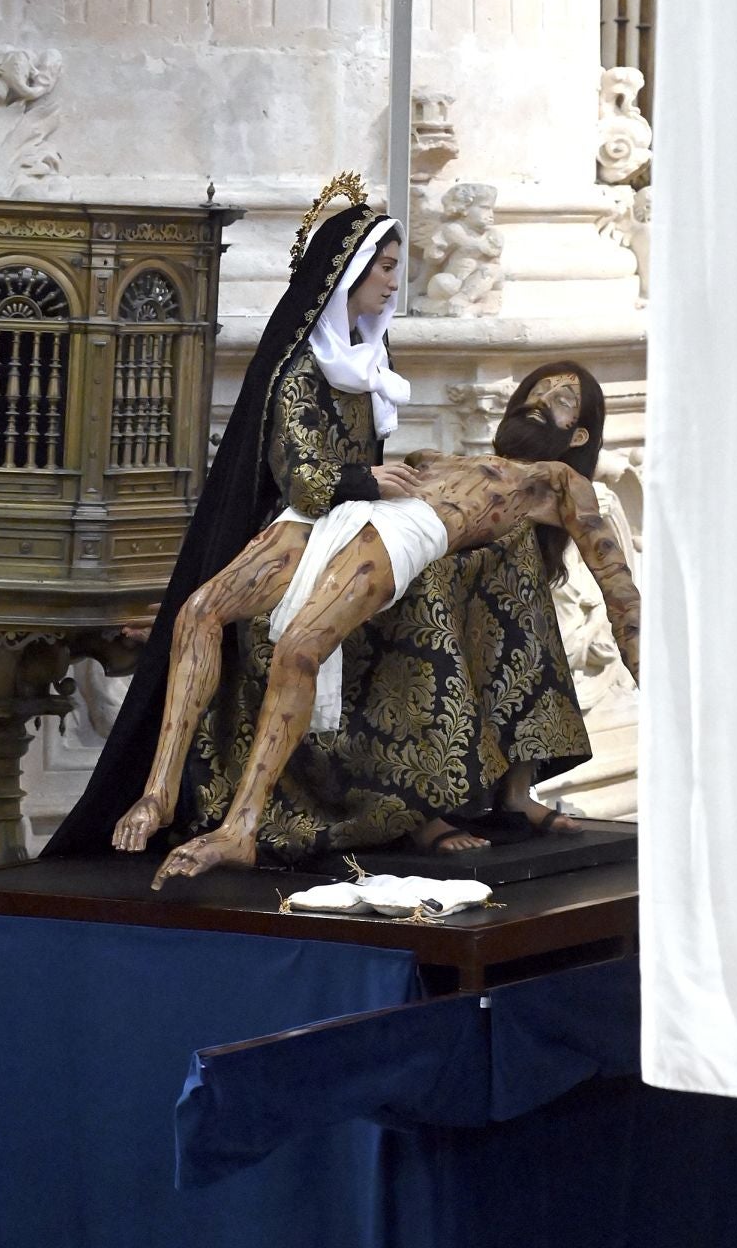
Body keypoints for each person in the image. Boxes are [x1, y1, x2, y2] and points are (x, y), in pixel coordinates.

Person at [45, 184, 598, 865]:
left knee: (477, 577)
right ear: (348, 274)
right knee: (198, 613)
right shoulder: (301, 369)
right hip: (306, 523)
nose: (396, 281)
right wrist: (371, 481)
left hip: (359, 523)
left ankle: (467, 794)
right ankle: (159, 792)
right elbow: (306, 475)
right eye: (387, 267)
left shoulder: (369, 363)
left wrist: (397, 482)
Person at [119, 362, 640, 883]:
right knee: (197, 612)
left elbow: (617, 585)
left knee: (300, 646)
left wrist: (651, 676)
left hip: (402, 531)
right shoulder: (439, 456)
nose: (541, 398)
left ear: (579, 434)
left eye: (561, 399)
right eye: (537, 388)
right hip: (342, 513)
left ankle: (241, 830)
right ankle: (156, 794)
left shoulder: (557, 482)